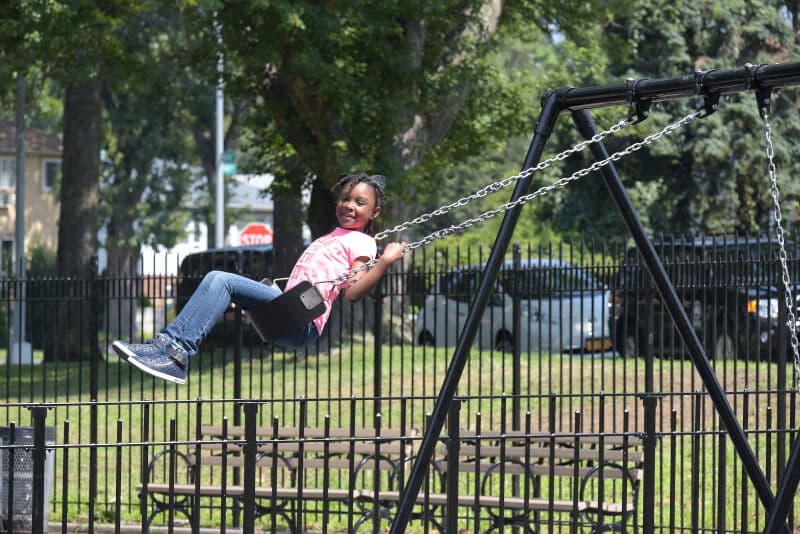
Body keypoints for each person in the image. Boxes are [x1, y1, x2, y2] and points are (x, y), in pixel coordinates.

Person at [111, 173, 406, 384]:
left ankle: (175, 351)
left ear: (374, 212)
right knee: (223, 286)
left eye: (359, 202)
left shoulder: (363, 243)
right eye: (345, 198)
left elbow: (354, 292)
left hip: (302, 320)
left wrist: (385, 262)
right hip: (289, 312)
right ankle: (163, 348)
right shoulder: (332, 236)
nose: (349, 205)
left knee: (220, 279)